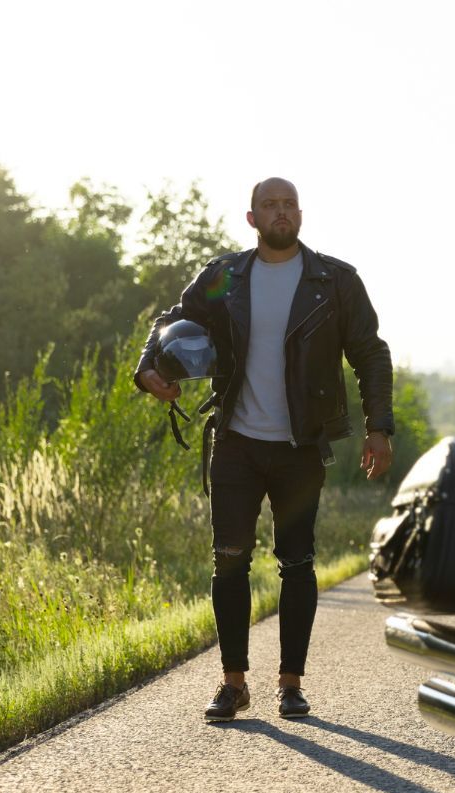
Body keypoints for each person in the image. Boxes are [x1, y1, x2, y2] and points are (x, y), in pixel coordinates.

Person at [134, 176, 394, 722]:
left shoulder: (335, 281)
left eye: (289, 204)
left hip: (301, 446)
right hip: (235, 443)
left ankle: (290, 685)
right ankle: (233, 683)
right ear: (252, 218)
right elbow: (170, 321)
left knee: (297, 563)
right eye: (270, 205)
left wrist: (379, 428)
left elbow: (370, 353)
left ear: (300, 214)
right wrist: (147, 368)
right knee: (228, 562)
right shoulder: (224, 276)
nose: (281, 212)